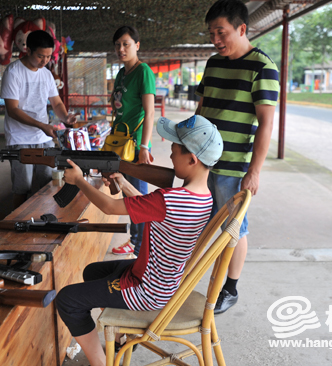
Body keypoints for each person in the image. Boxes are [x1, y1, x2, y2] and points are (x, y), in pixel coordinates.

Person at [56, 115, 223, 366]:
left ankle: (101, 363)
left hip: (148, 290)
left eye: (174, 151)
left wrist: (79, 180)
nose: (170, 155)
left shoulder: (169, 199)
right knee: (94, 271)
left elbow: (110, 207)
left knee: (67, 300)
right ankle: (122, 339)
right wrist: (123, 182)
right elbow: (152, 209)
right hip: (164, 280)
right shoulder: (200, 197)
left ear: (192, 159)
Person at [195, 0, 279, 314]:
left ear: (242, 28)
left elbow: (266, 123)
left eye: (222, 32)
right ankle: (191, 278)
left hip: (234, 164)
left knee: (234, 226)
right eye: (212, 33)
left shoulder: (263, 67)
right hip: (202, 161)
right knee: (202, 219)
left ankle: (230, 288)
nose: (216, 40)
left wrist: (254, 171)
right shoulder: (214, 64)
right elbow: (201, 110)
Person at [1, 30, 77, 209]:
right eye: (40, 56)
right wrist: (41, 125)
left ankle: (45, 217)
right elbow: (12, 110)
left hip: (44, 138)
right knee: (22, 187)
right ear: (28, 51)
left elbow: (56, 102)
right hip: (20, 139)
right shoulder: (13, 72)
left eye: (49, 56)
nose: (45, 61)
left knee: (49, 182)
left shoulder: (46, 74)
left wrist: (66, 116)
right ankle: (16, 226)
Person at [108, 25, 156, 257]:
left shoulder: (143, 71)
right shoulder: (120, 74)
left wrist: (144, 146)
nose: (121, 49)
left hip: (135, 145)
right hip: (119, 143)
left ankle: (142, 247)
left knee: (139, 197)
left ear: (137, 45)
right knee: (128, 194)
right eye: (117, 45)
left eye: (126, 44)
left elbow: (150, 112)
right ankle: (136, 241)